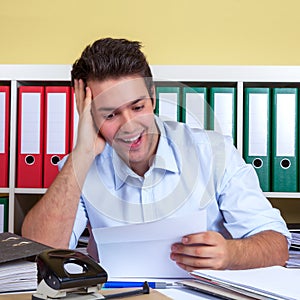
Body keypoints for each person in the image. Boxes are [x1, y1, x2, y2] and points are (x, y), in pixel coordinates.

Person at [22, 37, 291, 272]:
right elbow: (39, 251)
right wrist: (82, 154)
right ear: (89, 115)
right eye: (110, 114)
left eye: (137, 107)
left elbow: (276, 246)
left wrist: (230, 254)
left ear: (153, 95)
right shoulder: (80, 165)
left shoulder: (213, 152)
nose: (129, 125)